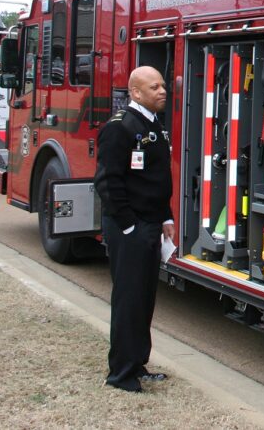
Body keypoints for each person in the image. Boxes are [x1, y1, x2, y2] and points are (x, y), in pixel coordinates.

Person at [94, 66, 175, 392]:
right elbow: (108, 182)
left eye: (163, 85)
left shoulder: (154, 124)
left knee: (144, 299)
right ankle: (121, 375)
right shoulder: (120, 127)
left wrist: (166, 217)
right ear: (136, 93)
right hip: (130, 228)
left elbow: (155, 178)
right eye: (154, 87)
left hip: (151, 224)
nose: (162, 91)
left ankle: (138, 363)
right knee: (128, 300)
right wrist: (128, 225)